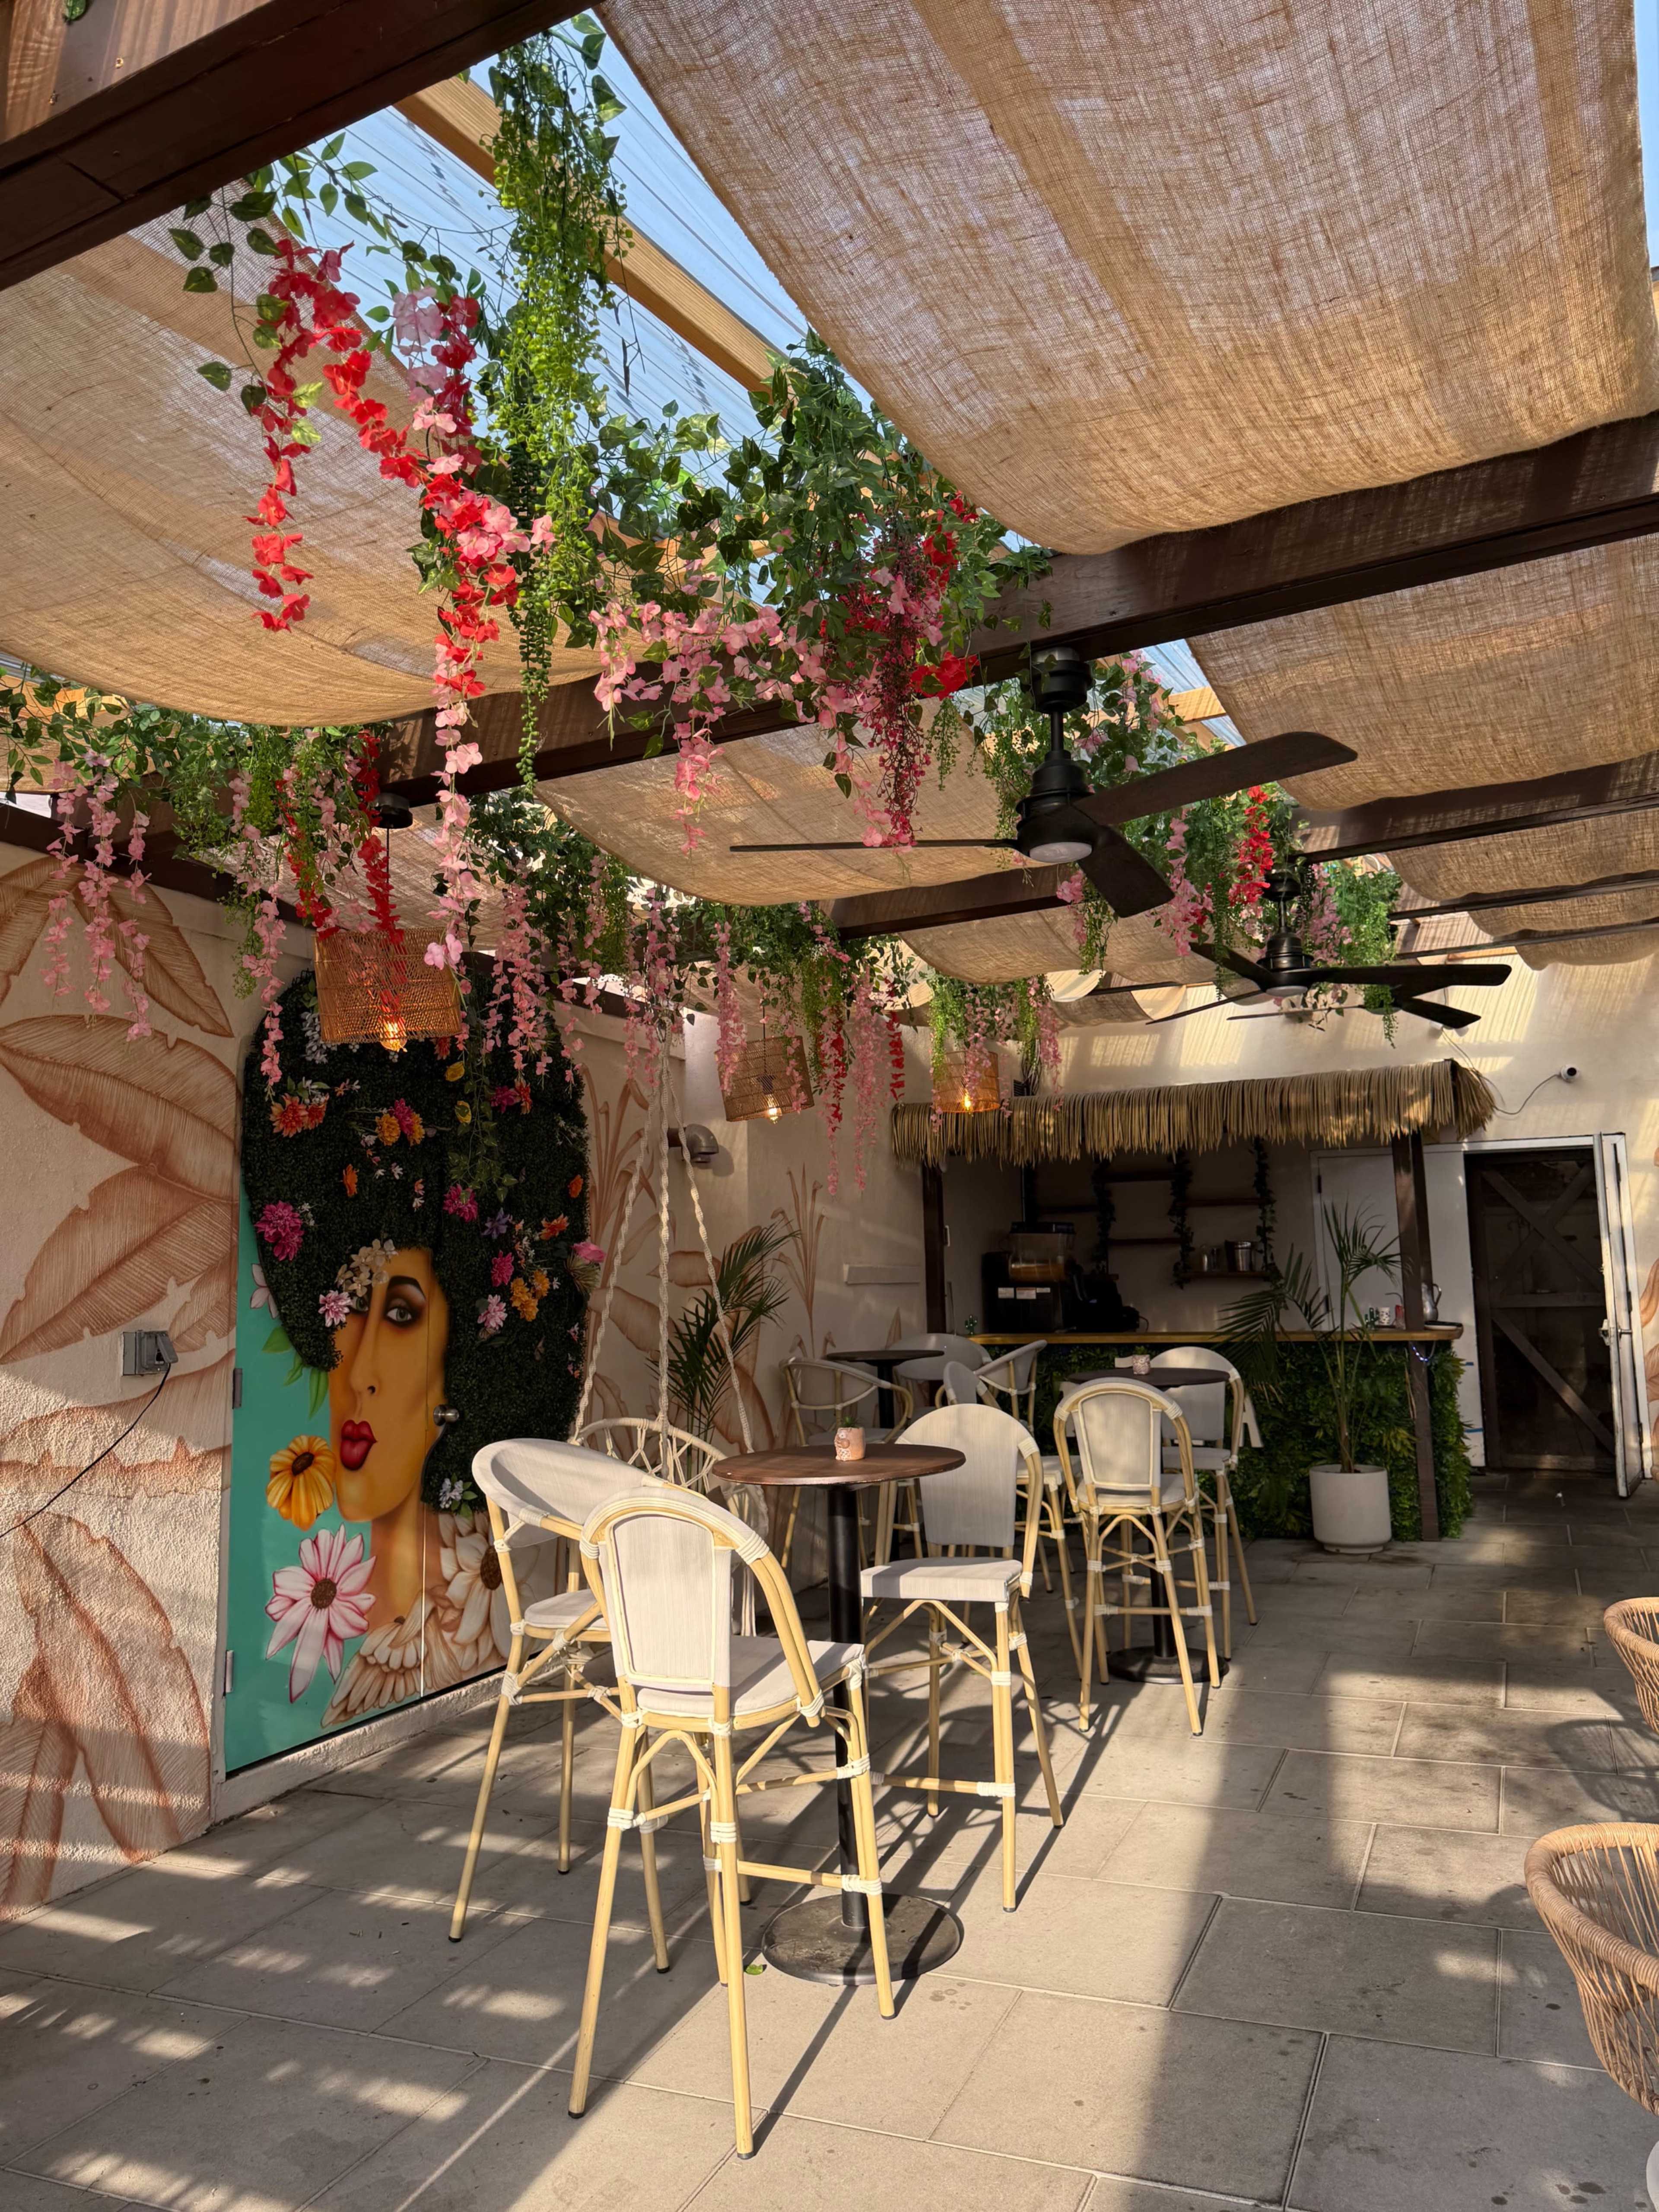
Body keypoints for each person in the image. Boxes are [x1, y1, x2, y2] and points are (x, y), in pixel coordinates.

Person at [243, 968, 593, 1729]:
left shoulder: (465, 1608)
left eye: (401, 1314)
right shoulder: (363, 1653)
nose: (357, 1372)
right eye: (353, 1311)